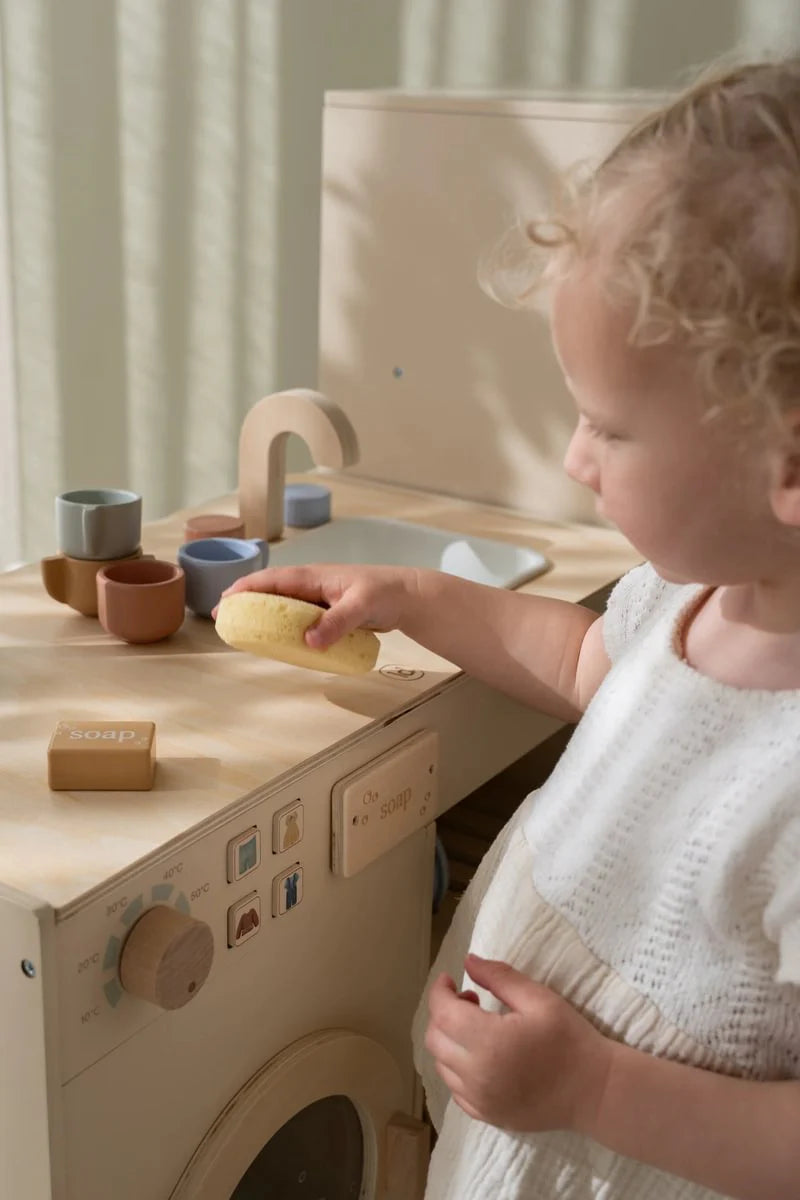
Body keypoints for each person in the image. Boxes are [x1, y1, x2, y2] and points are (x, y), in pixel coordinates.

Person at [221, 56, 800, 1199]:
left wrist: (593, 1094)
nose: (575, 460)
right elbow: (586, 662)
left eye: (605, 429)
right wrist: (416, 601)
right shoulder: (696, 597)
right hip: (520, 1136)